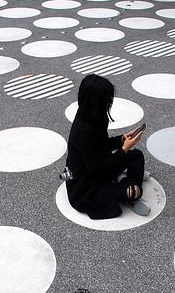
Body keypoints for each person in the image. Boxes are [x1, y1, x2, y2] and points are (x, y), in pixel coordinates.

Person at [64, 74, 150, 220]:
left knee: (137, 155)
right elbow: (98, 171)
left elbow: (100, 146)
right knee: (134, 191)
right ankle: (128, 189)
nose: (109, 103)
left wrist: (121, 140)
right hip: (86, 186)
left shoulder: (92, 115)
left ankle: (123, 181)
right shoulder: (83, 131)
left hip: (99, 167)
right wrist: (123, 150)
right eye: (108, 100)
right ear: (95, 101)